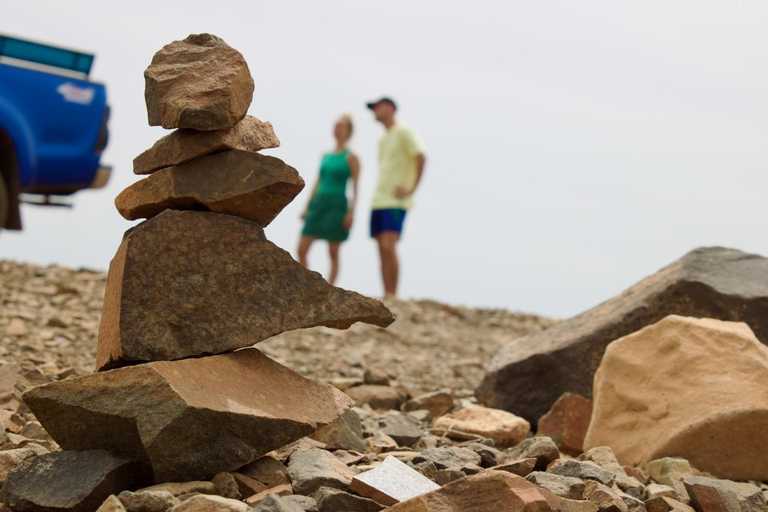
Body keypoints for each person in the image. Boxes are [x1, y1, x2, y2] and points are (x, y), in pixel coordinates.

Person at [366, 97, 426, 299]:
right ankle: (387, 294)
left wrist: (411, 189)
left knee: (388, 245)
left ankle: (393, 294)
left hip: (395, 200)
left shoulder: (404, 131)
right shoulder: (383, 139)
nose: (374, 111)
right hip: (378, 199)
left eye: (377, 106)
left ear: (390, 108)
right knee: (381, 248)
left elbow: (421, 156)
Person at [298, 115, 360, 286]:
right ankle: (309, 285)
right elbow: (316, 183)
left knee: (333, 251)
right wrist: (307, 207)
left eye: (341, 126)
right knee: (301, 249)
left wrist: (351, 213)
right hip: (319, 203)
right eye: (335, 125)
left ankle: (330, 289)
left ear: (349, 131)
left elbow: (355, 188)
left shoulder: (352, 158)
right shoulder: (325, 156)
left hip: (337, 204)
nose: (337, 129)